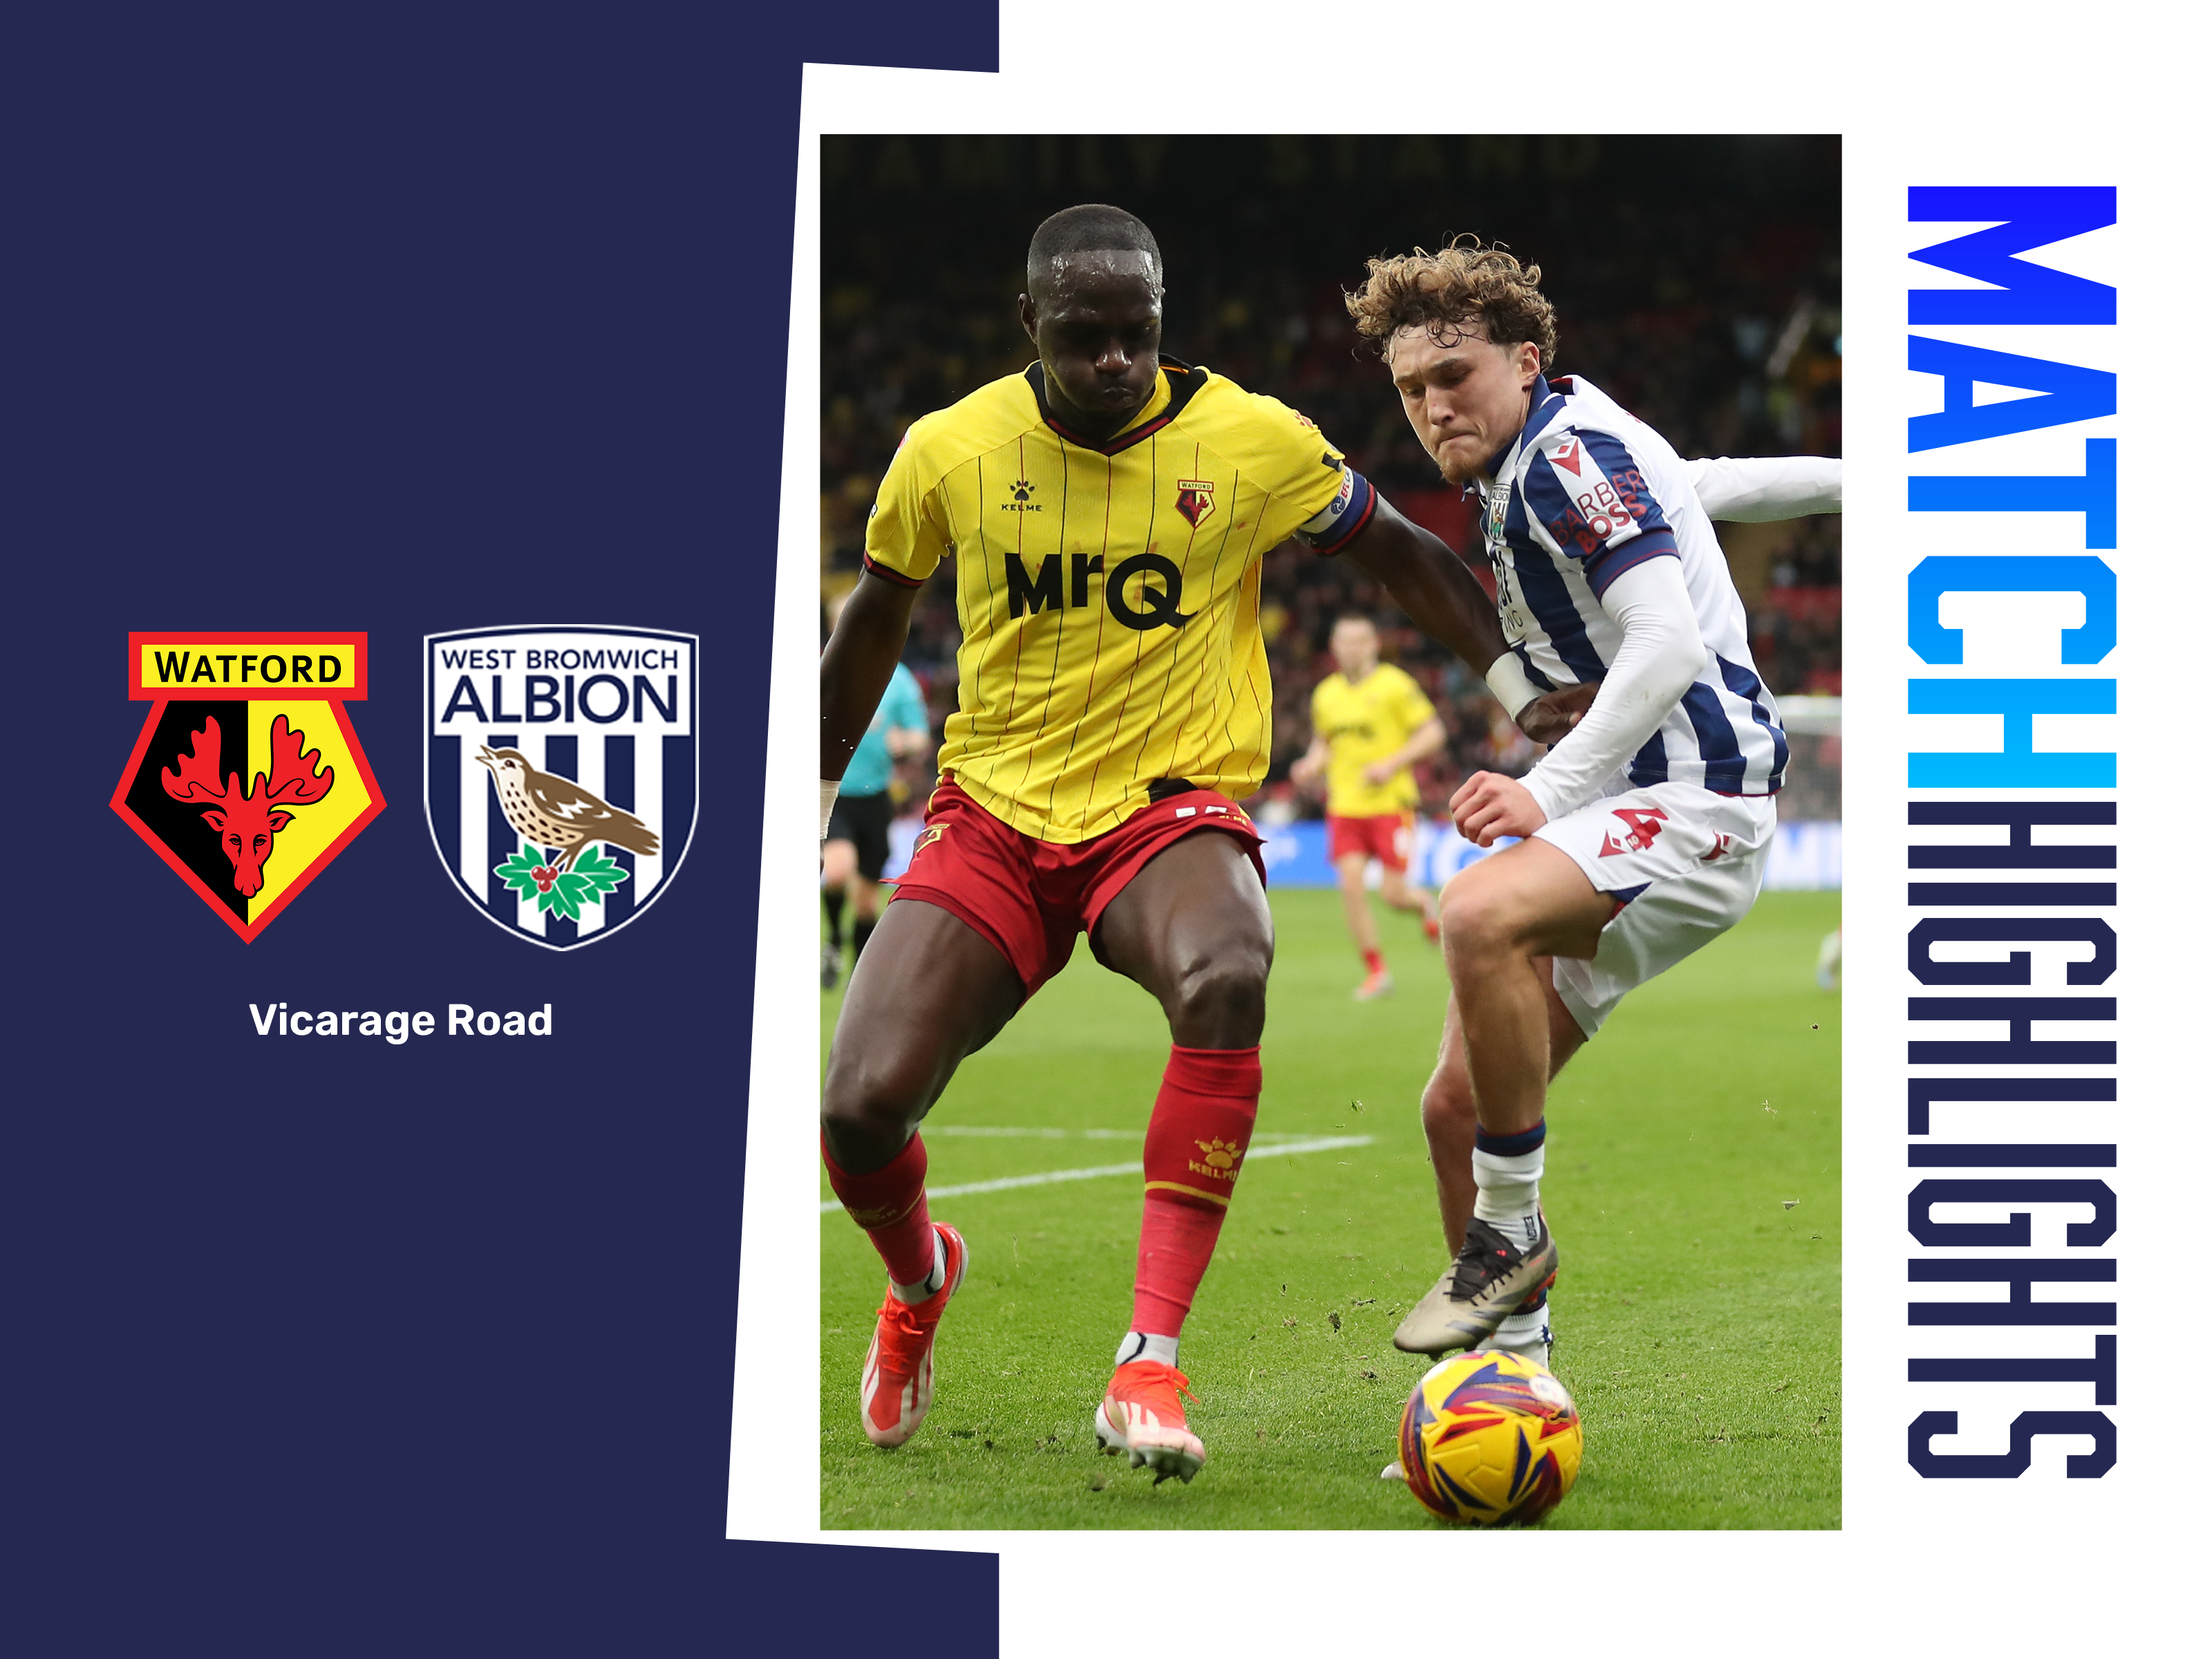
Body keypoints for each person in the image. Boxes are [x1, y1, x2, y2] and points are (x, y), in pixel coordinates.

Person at [817, 205, 1588, 1483]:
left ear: (1163, 323)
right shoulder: (947, 451)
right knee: (856, 1108)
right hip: (997, 809)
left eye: (1139, 335)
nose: (1117, 360)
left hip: (1169, 805)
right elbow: (874, 621)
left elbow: (1396, 548)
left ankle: (1149, 1360)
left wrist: (1513, 685)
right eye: (1085, 339)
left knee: (1229, 970)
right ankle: (917, 1284)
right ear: (1032, 328)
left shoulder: (1250, 438)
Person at [1336, 239, 1842, 1366]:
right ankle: (1512, 1380)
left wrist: (1542, 788)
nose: (1432, 406)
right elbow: (1711, 485)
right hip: (1633, 809)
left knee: (1477, 913)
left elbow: (1663, 645)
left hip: (1695, 796)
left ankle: (1509, 1232)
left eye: (1453, 376)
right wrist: (1881, 482)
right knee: (1454, 1112)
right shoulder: (1567, 449)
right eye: (1412, 389)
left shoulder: (1566, 457)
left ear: (1525, 361)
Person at [1288, 613, 1445, 1000]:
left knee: (1393, 894)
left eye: (1359, 640)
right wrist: (1310, 765)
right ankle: (1377, 972)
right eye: (1344, 641)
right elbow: (1325, 743)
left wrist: (1391, 764)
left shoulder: (1394, 685)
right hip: (1344, 806)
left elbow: (1433, 732)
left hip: (1391, 803)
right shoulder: (1326, 694)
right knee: (1351, 888)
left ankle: (1425, 904)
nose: (1351, 648)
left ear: (1375, 644)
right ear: (1333, 647)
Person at [820, 588, 932, 988]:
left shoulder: (899, 682)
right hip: (833, 792)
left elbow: (920, 737)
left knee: (867, 901)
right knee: (837, 870)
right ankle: (833, 939)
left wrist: (901, 741)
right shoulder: (826, 670)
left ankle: (855, 974)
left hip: (876, 795)